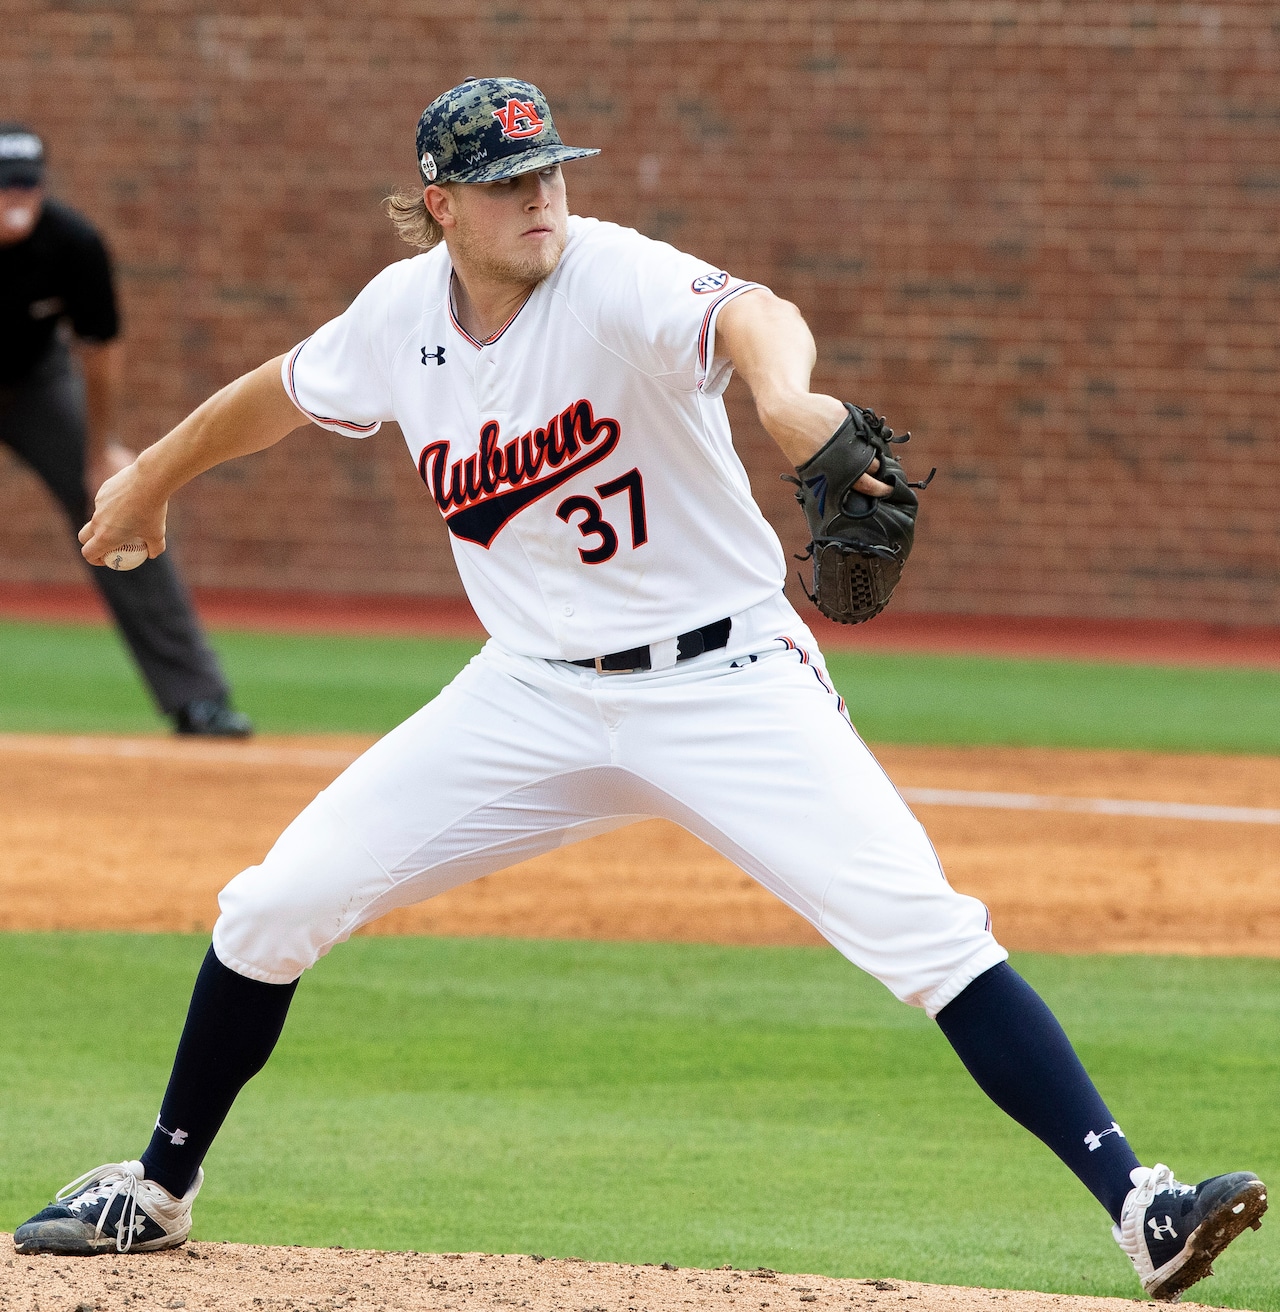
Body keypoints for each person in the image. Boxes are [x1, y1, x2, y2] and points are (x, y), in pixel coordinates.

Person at [11, 80, 1266, 1300]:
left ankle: (1140, 1208)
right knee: (273, 903)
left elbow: (753, 313)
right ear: (440, 204)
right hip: (528, 695)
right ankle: (158, 1189)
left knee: (925, 933)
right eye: (505, 182)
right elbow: (280, 392)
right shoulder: (400, 316)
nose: (539, 198)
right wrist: (148, 479)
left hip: (726, 678)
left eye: (549, 170)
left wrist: (782, 397)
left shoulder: (609, 274)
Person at [0, 124, 251, 736]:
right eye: (3, 186)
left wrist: (98, 453)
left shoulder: (73, 243)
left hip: (35, 384)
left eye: (25, 186)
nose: (15, 199)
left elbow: (100, 353)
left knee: (119, 504)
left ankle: (197, 699)